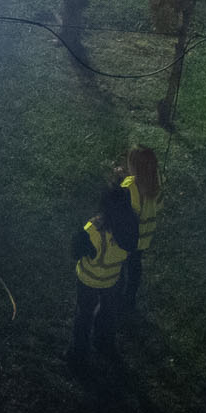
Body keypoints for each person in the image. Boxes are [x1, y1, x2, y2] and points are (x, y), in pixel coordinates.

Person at [64, 178, 133, 370]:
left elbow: (75, 252)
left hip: (88, 280)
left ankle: (79, 354)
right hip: (112, 280)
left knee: (84, 315)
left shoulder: (92, 230)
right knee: (108, 313)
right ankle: (104, 343)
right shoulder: (130, 228)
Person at [117, 144, 160, 316]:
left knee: (120, 266)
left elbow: (120, 208)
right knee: (135, 266)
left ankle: (116, 296)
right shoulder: (156, 181)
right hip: (143, 238)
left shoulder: (129, 186)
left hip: (127, 238)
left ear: (133, 167)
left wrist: (120, 178)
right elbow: (159, 204)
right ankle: (130, 300)